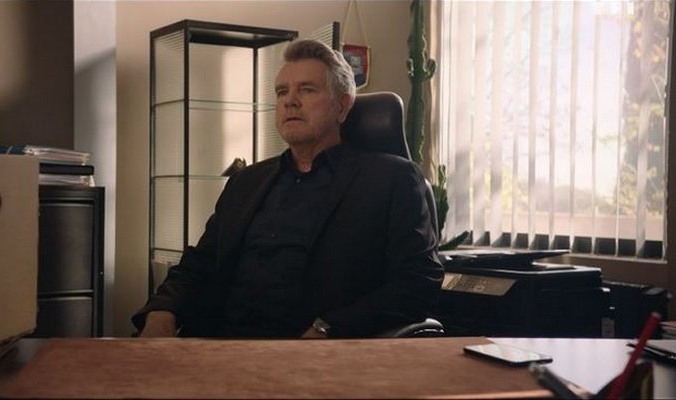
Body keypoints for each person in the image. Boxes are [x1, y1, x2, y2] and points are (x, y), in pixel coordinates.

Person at [133, 39, 443, 339]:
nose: (289, 101)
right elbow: (199, 264)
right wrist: (162, 311)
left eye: (307, 90)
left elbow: (417, 283)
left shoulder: (391, 180)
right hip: (221, 344)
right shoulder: (246, 182)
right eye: (282, 91)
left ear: (342, 106)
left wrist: (329, 328)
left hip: (314, 352)